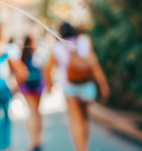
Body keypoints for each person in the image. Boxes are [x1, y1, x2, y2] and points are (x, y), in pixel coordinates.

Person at [44, 22, 110, 151]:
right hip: (87, 86)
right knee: (85, 118)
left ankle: (80, 149)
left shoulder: (57, 46)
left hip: (68, 87)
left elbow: (47, 68)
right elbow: (94, 64)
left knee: (76, 120)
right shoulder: (84, 41)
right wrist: (103, 85)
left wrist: (49, 85)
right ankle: (84, 147)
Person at [17, 35, 44, 151]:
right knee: (36, 113)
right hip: (37, 88)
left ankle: (32, 142)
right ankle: (36, 141)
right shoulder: (37, 57)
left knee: (31, 113)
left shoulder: (22, 58)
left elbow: (20, 75)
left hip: (27, 89)